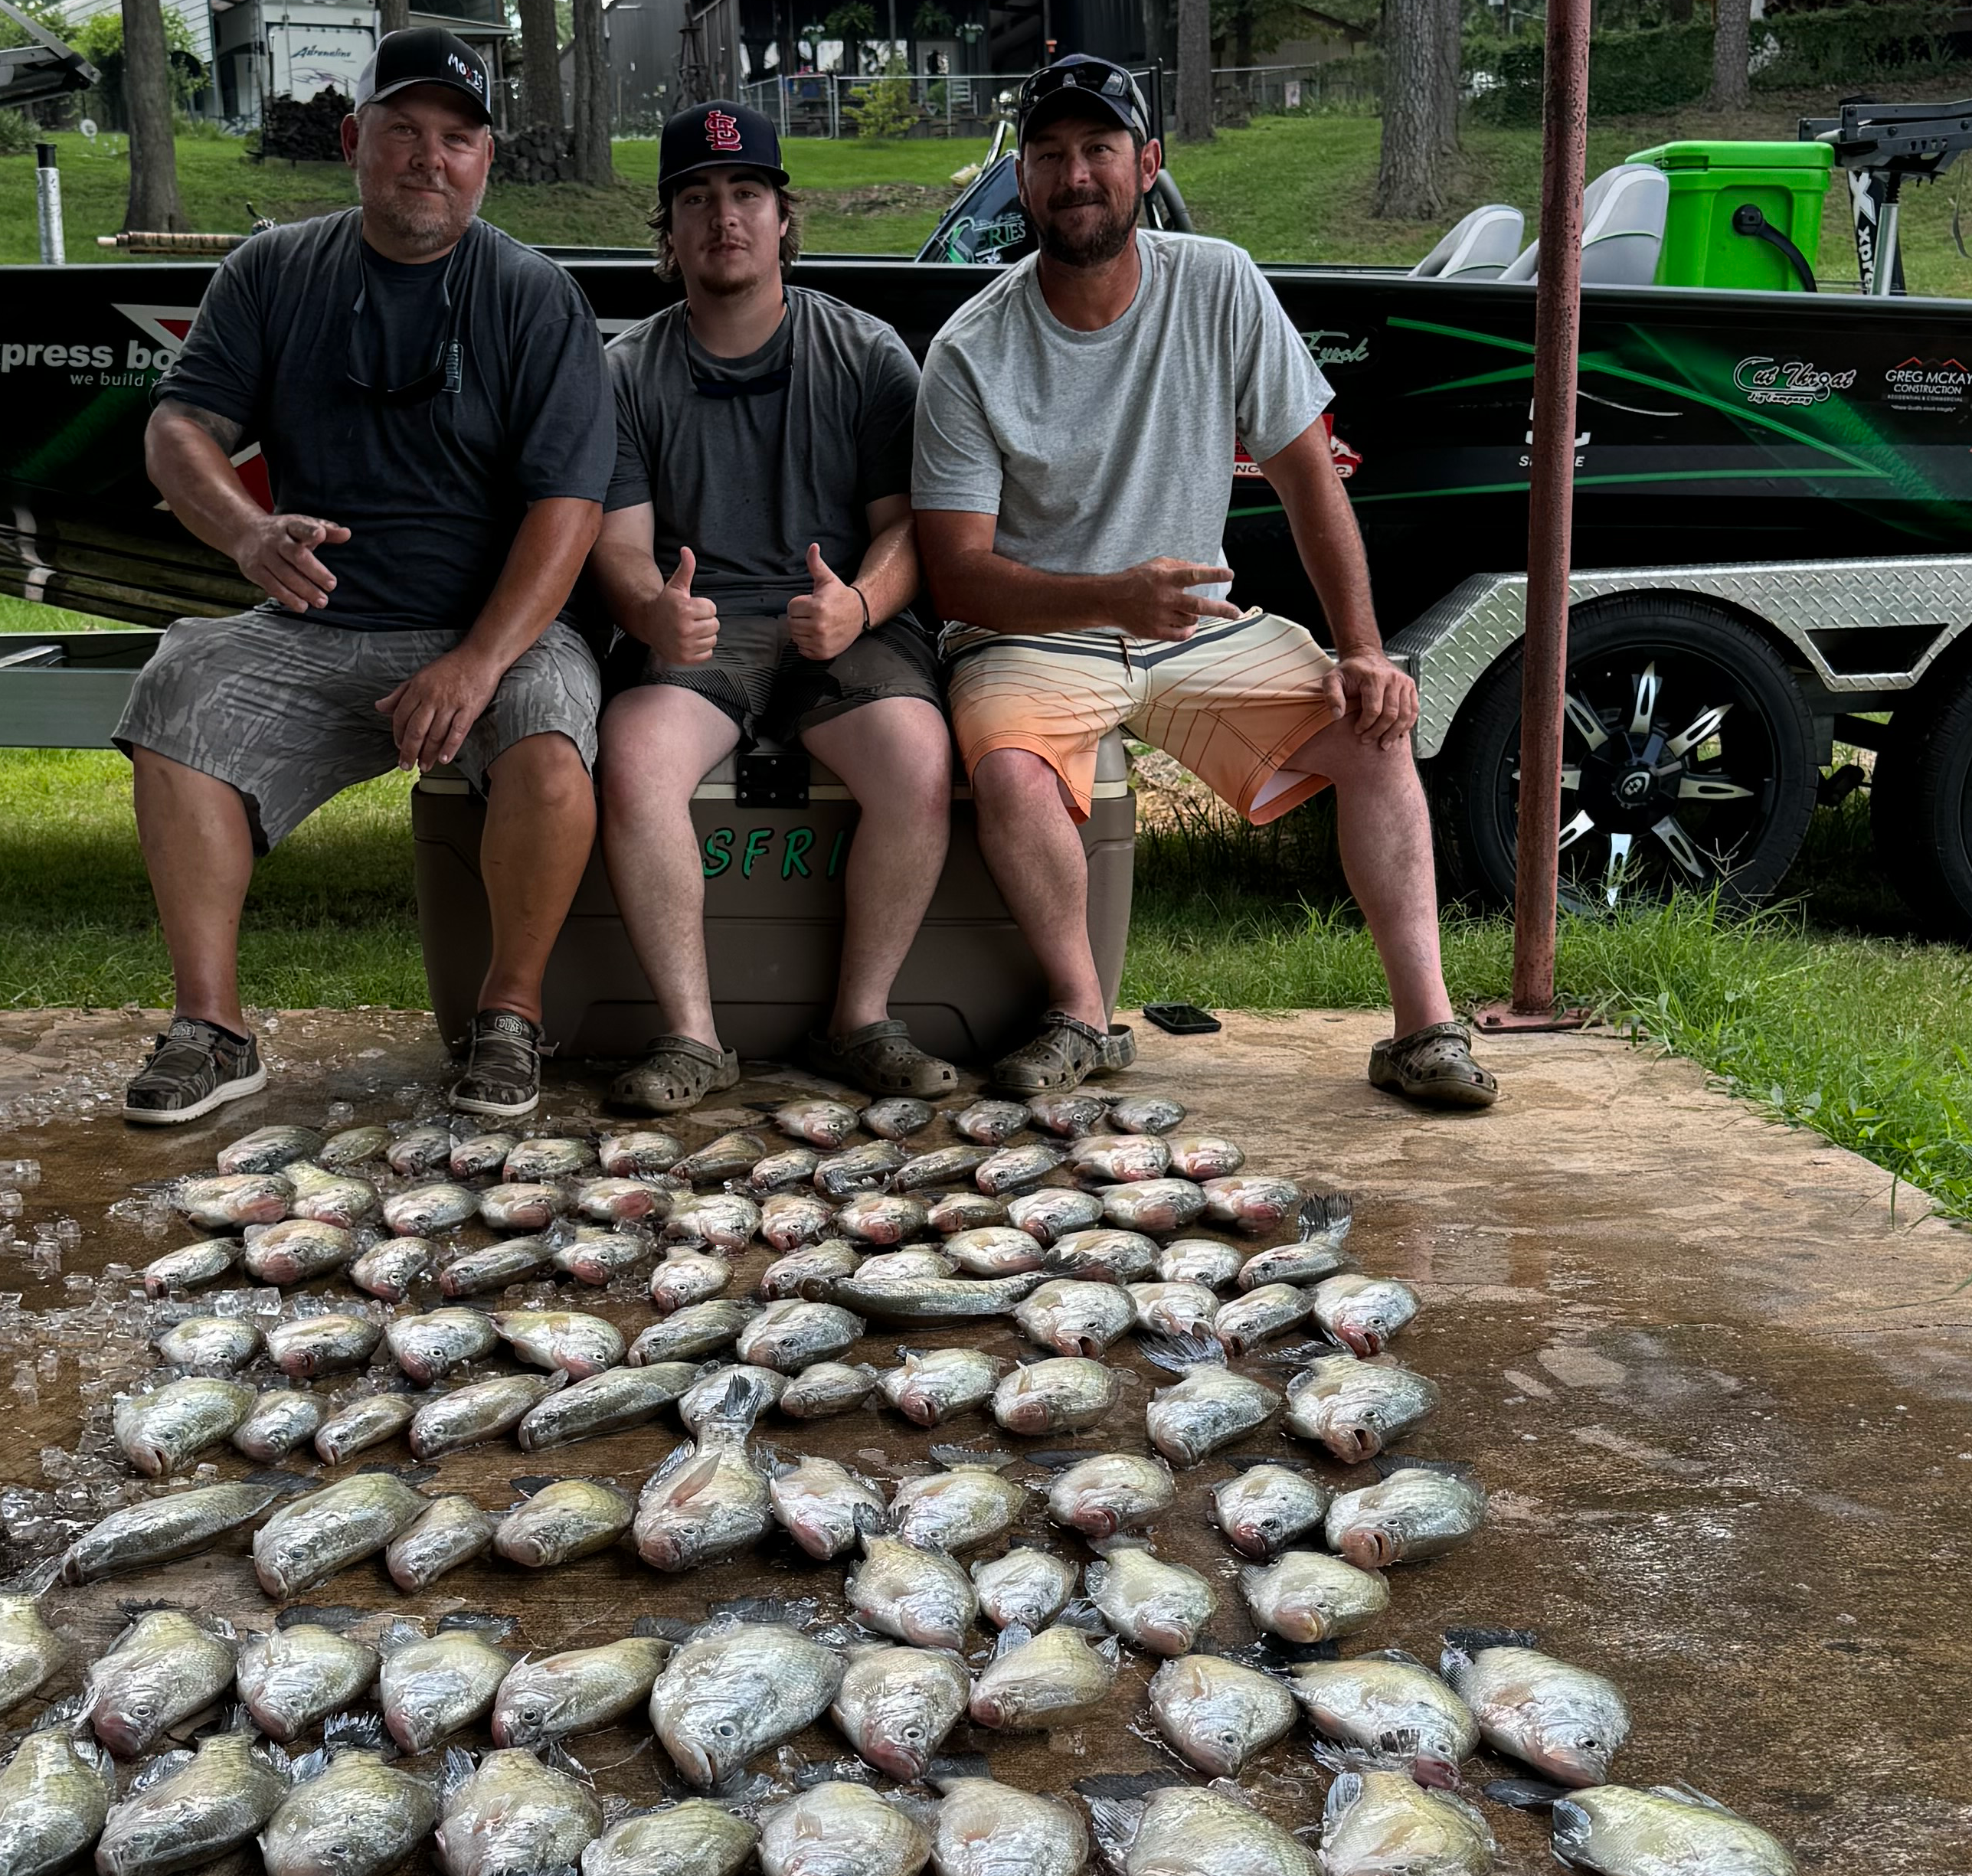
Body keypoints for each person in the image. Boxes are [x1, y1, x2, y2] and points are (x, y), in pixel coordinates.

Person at [911, 54, 1496, 1110]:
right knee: (1012, 772)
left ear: (1147, 165)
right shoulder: (969, 349)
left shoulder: (1220, 281)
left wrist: (1364, 650)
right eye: (1049, 155)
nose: (1075, 175)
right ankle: (1083, 1016)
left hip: (1194, 627)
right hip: (1032, 637)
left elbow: (1310, 481)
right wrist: (1109, 598)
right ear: (1022, 182)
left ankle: (1424, 1031)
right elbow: (957, 581)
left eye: (1098, 149)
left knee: (1373, 727)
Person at [110, 27, 613, 1126]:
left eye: (458, 138)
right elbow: (179, 429)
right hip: (316, 626)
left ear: (487, 160)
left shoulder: (534, 295)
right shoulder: (270, 272)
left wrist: (478, 661)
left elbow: (569, 509)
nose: (430, 158)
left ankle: (509, 1016)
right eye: (404, 131)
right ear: (353, 141)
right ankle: (212, 1027)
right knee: (178, 686)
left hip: (494, 631)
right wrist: (248, 533)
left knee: (550, 732)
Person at [588, 100, 960, 1115]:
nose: (725, 218)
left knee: (917, 761)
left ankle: (860, 1021)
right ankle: (693, 1038)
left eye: (748, 193)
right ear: (668, 231)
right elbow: (617, 545)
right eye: (697, 199)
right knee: (634, 759)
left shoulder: (865, 353)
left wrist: (862, 602)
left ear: (784, 216)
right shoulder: (625, 373)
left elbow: (909, 528)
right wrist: (651, 612)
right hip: (700, 631)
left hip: (838, 625)